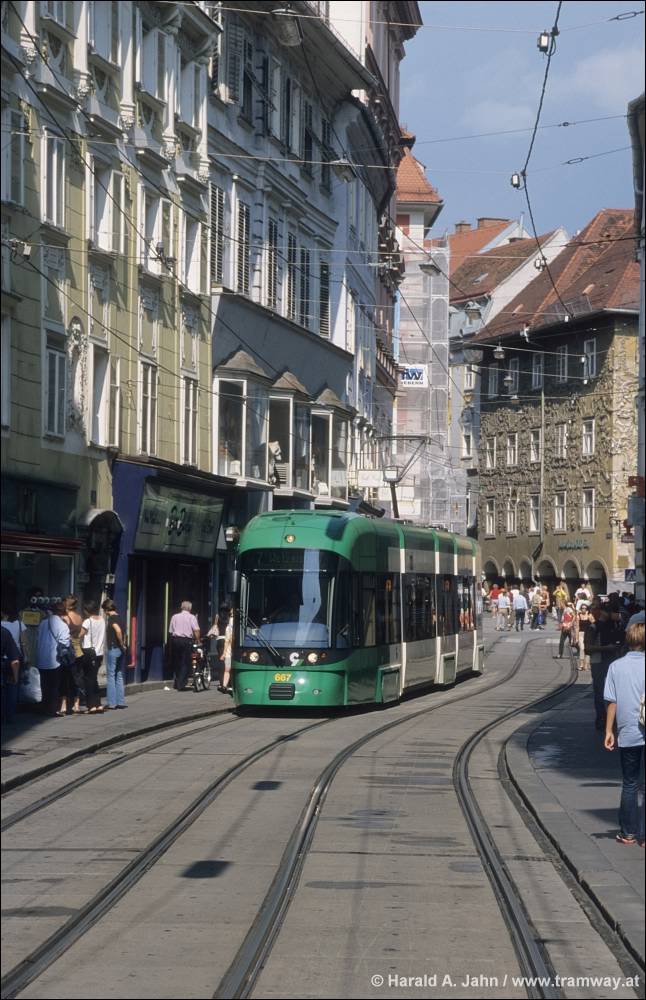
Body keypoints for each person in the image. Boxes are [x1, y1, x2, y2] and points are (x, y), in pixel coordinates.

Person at [603, 622, 645, 846]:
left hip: (628, 731)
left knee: (630, 783)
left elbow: (612, 702)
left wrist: (609, 730)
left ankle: (628, 833)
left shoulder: (616, 667)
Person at [588, 605, 624, 730]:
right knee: (600, 692)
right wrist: (606, 648)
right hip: (599, 662)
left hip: (610, 661)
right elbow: (588, 648)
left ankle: (608, 718)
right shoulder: (594, 627)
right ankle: (601, 718)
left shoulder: (614, 625)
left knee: (610, 692)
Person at [35, 599, 71, 717]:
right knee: (54, 686)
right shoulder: (63, 625)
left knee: (44, 685)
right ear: (63, 612)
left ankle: (44, 708)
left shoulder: (43, 623)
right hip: (55, 660)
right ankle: (52, 709)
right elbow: (65, 643)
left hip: (41, 658)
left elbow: (37, 638)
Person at [168, 600, 200, 692]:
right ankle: (181, 684)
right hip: (187, 641)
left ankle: (177, 681)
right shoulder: (192, 617)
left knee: (177, 661)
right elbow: (196, 630)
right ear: (190, 608)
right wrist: (198, 640)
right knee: (185, 662)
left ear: (181, 607)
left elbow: (171, 631)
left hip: (176, 640)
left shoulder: (174, 616)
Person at [80, 601, 106, 714]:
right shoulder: (102, 620)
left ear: (87, 611)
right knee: (94, 678)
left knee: (88, 679)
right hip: (99, 653)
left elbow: (80, 634)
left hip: (88, 652)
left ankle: (91, 705)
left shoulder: (87, 621)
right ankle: (98, 704)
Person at [102, 599, 127, 709]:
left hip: (114, 648)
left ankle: (112, 703)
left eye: (104, 610)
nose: (104, 612)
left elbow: (118, 630)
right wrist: (123, 645)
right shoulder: (121, 617)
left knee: (111, 675)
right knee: (119, 674)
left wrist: (120, 643)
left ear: (107, 609)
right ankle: (120, 702)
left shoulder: (112, 618)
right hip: (120, 650)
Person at [62, 595, 85, 714]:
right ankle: (76, 704)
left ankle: (64, 705)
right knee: (77, 678)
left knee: (65, 678)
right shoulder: (79, 617)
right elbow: (80, 633)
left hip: (68, 651)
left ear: (66, 604)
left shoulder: (65, 618)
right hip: (78, 650)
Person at [1, 624, 21, 724]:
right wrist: (15, 677)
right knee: (11, 690)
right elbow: (15, 660)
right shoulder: (4, 632)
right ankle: (9, 717)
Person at [219, 606, 234, 693]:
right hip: (229, 652)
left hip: (235, 652)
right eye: (231, 615)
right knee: (227, 669)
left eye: (233, 615)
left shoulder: (234, 628)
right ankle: (224, 686)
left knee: (230, 669)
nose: (231, 618)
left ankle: (228, 685)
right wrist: (224, 654)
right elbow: (226, 641)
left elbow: (227, 641)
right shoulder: (228, 628)